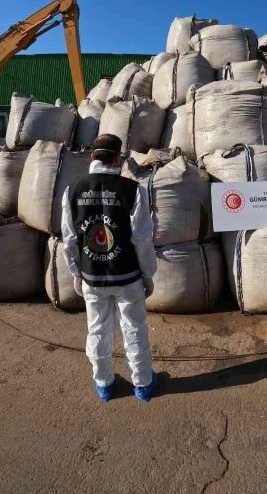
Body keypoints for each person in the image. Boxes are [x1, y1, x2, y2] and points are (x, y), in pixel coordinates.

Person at [61, 134, 158, 402]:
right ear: (117, 158)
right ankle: (143, 383)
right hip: (127, 276)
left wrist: (75, 272)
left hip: (93, 277)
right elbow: (141, 238)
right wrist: (148, 274)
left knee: (98, 329)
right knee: (134, 328)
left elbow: (69, 239)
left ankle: (104, 384)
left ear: (92, 156)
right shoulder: (133, 190)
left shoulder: (73, 190)